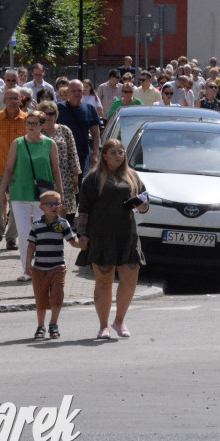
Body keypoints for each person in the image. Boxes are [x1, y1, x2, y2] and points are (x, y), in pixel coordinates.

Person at [77, 139, 148, 339]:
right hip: (101, 236)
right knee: (104, 281)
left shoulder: (132, 176)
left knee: (130, 280)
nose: (119, 155)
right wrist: (82, 234)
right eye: (114, 152)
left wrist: (141, 205)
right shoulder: (93, 177)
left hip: (127, 235)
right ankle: (103, 326)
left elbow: (145, 202)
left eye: (121, 152)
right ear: (104, 156)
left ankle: (119, 321)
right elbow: (84, 210)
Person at [0, 109, 62, 282]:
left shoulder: (50, 144)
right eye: (28, 123)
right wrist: (2, 192)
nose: (31, 126)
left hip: (44, 196)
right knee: (25, 233)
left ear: (42, 125)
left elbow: (56, 170)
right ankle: (27, 271)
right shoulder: (17, 143)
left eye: (35, 123)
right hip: (20, 193)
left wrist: (60, 194)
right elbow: (9, 169)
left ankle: (43, 269)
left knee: (43, 233)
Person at [26, 190, 80, 339]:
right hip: (39, 269)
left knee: (57, 297)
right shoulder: (36, 225)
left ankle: (53, 324)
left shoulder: (63, 223)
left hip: (58, 268)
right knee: (41, 298)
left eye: (56, 203)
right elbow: (31, 246)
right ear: (42, 207)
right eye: (49, 203)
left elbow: (72, 241)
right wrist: (27, 265)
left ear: (61, 205)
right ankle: (40, 326)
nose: (54, 206)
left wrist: (82, 244)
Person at [0, 88, 27, 248]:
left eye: (16, 98)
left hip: (19, 170)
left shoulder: (27, 120)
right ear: (4, 101)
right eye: (9, 98)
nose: (12, 101)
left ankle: (11, 238)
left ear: (20, 100)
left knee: (17, 203)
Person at [38, 101, 80, 223]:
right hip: (43, 176)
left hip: (63, 177)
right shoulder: (36, 132)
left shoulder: (64, 130)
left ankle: (59, 236)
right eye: (45, 114)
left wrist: (75, 176)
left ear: (56, 115)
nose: (48, 116)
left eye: (51, 113)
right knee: (43, 208)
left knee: (61, 207)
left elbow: (72, 153)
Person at [57, 79, 100, 174]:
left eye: (79, 91)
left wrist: (95, 154)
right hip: (61, 154)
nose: (77, 93)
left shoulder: (90, 108)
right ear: (68, 92)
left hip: (82, 154)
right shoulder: (58, 108)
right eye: (74, 91)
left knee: (79, 184)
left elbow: (95, 133)